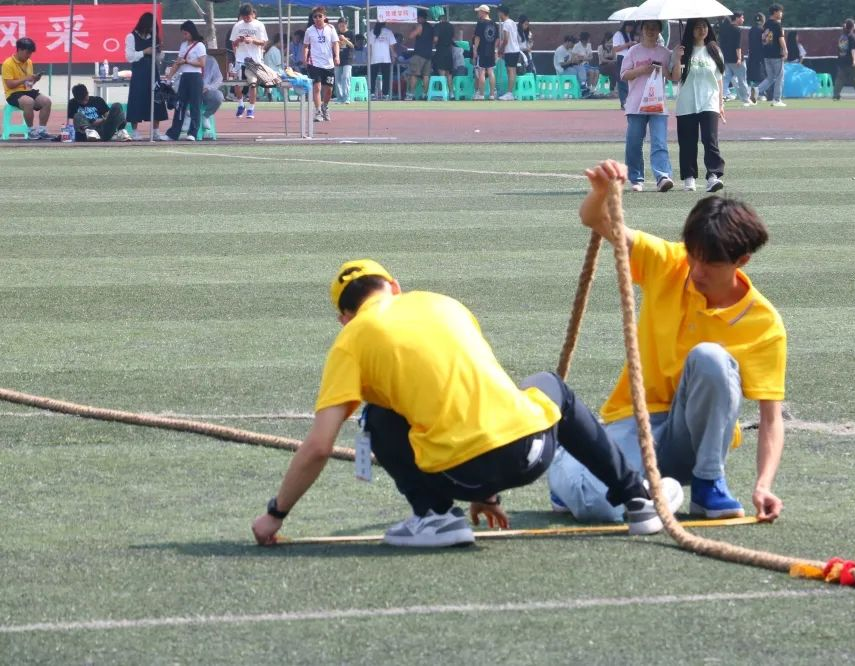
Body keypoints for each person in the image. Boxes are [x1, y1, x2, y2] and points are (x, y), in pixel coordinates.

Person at [250, 259, 675, 548]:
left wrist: (276, 513)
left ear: (345, 317)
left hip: (461, 474)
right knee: (549, 385)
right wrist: (489, 492)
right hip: (534, 452)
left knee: (377, 415)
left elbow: (320, 445)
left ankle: (435, 516)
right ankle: (637, 498)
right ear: (394, 288)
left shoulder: (351, 339)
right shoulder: (444, 303)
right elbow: (476, 395)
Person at [548, 160, 787, 526]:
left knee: (711, 358)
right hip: (635, 419)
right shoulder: (668, 262)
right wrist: (600, 193)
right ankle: (575, 463)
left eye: (710, 264)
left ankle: (708, 486)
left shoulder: (763, 322)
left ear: (742, 260)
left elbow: (771, 419)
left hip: (690, 444)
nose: (696, 271)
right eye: (692, 256)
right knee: (597, 506)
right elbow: (595, 221)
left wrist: (763, 485)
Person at [671, 18, 726, 193]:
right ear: (690, 30)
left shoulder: (714, 50)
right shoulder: (681, 51)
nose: (701, 30)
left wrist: (720, 103)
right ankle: (689, 177)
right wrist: (677, 58)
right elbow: (675, 78)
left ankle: (713, 176)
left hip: (709, 101)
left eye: (704, 26)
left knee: (710, 140)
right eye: (697, 27)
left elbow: (719, 79)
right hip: (686, 102)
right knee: (687, 142)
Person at [620, 19, 675, 194]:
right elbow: (624, 75)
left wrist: (664, 66)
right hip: (636, 105)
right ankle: (636, 178)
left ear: (660, 31)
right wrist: (642, 70)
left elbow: (672, 77)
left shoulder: (665, 53)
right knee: (634, 143)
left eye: (655, 28)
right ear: (642, 30)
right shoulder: (633, 52)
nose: (651, 31)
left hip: (658, 104)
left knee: (659, 142)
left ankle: (663, 176)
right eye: (647, 27)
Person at [124, 13, 168, 140]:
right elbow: (129, 56)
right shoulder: (131, 37)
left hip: (153, 73)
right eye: (150, 27)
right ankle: (135, 131)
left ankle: (155, 131)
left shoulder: (153, 37)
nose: (151, 30)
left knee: (157, 100)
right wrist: (144, 52)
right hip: (139, 73)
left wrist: (160, 52)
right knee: (136, 100)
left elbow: (158, 58)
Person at [161, 20, 206, 141]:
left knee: (195, 106)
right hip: (184, 76)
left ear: (191, 32)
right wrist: (169, 76)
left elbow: (202, 63)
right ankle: (173, 133)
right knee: (180, 105)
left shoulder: (200, 45)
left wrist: (187, 62)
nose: (184, 36)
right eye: (183, 34)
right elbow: (177, 62)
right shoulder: (183, 45)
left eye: (186, 33)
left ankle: (193, 133)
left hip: (195, 77)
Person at [2, 37, 53, 140]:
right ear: (19, 50)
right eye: (27, 53)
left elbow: (28, 86)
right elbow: (10, 85)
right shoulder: (7, 63)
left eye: (30, 53)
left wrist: (35, 80)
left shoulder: (28, 62)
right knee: (29, 102)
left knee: (47, 101)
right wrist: (25, 78)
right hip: (13, 94)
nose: (29, 56)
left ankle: (42, 130)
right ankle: (30, 131)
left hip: (27, 91)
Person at [230, 3, 268, 119]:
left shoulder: (259, 25)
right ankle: (241, 104)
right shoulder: (237, 26)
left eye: (248, 16)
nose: (246, 19)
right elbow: (233, 44)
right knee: (236, 83)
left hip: (254, 60)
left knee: (252, 84)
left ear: (253, 14)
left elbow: (263, 42)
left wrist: (252, 40)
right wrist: (238, 41)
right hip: (240, 59)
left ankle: (251, 109)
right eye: (244, 17)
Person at [304, 7, 339, 121]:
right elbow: (306, 46)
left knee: (328, 89)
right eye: (315, 17)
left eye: (320, 16)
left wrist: (337, 56)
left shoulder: (331, 28)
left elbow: (335, 43)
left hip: (328, 64)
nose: (318, 18)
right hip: (314, 63)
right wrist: (305, 58)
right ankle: (318, 111)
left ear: (324, 17)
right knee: (317, 87)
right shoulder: (309, 30)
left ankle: (325, 106)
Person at [756, 3, 787, 106]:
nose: (782, 13)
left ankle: (755, 91)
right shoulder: (777, 24)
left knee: (770, 77)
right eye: (780, 11)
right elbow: (780, 38)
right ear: (775, 12)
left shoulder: (766, 24)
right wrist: (785, 50)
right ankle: (777, 99)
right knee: (779, 77)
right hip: (776, 54)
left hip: (766, 54)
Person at [719, 12, 751, 105]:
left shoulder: (724, 28)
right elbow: (738, 46)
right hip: (735, 59)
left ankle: (722, 97)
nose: (743, 19)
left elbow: (722, 43)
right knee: (742, 80)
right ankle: (745, 99)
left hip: (726, 58)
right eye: (742, 17)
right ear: (737, 18)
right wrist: (739, 58)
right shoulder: (737, 30)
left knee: (726, 79)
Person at [833, 18, 855, 101]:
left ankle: (836, 95)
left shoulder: (842, 36)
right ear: (852, 26)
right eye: (854, 23)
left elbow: (839, 49)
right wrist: (854, 60)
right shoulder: (852, 36)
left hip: (841, 60)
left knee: (840, 79)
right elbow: (853, 49)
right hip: (849, 61)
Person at [405, 9, 435, 100]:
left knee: (414, 74)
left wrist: (413, 29)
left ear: (420, 18)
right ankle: (424, 95)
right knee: (426, 76)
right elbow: (433, 40)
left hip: (419, 54)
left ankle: (411, 94)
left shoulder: (419, 26)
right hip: (428, 55)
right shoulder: (431, 27)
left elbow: (411, 36)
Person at [472, 4, 499, 101]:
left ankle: (482, 94)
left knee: (481, 71)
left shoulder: (480, 23)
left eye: (479, 11)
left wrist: (475, 50)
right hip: (491, 50)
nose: (478, 13)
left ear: (483, 12)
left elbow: (477, 38)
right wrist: (495, 50)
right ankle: (492, 95)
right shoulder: (494, 24)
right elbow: (497, 39)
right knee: (491, 71)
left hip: (482, 50)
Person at [367, 22, 395, 100]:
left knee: (373, 77)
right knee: (386, 77)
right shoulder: (389, 32)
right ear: (385, 24)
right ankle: (385, 94)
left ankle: (372, 94)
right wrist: (393, 56)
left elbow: (369, 47)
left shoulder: (372, 32)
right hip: (386, 58)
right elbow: (391, 46)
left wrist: (369, 58)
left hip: (374, 57)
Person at [497, 6, 520, 101]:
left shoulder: (506, 24)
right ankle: (511, 92)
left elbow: (506, 39)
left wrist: (501, 49)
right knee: (512, 71)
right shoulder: (513, 22)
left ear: (502, 13)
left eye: (499, 12)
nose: (498, 14)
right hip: (516, 50)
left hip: (510, 50)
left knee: (510, 71)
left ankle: (510, 93)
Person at [613, 22, 637, 109]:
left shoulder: (630, 34)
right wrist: (628, 44)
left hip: (631, 58)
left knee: (631, 80)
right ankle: (623, 102)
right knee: (622, 80)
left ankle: (630, 100)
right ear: (625, 26)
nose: (630, 28)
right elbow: (616, 49)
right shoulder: (618, 34)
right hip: (621, 57)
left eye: (632, 27)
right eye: (629, 26)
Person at [201, 53, 224, 137]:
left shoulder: (211, 60)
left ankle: (206, 115)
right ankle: (187, 116)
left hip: (206, 91)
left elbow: (219, 78)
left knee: (218, 96)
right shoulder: (186, 58)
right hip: (189, 91)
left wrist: (209, 87)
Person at [433, 12, 455, 97]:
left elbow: (435, 39)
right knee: (449, 73)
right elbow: (453, 38)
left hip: (440, 50)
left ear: (440, 19)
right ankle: (451, 93)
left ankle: (443, 92)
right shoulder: (451, 26)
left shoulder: (438, 26)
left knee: (441, 72)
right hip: (449, 51)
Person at [334, 17, 355, 104]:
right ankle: (339, 98)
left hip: (348, 58)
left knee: (346, 77)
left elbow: (352, 45)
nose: (342, 26)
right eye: (340, 25)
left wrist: (345, 39)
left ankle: (346, 98)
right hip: (337, 58)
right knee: (338, 78)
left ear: (346, 25)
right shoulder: (335, 33)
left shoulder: (350, 33)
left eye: (344, 25)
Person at [746, 13, 765, 103]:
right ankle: (760, 94)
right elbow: (765, 43)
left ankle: (750, 93)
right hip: (761, 56)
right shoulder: (763, 30)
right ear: (763, 20)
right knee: (761, 75)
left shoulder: (751, 30)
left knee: (751, 75)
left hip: (752, 55)